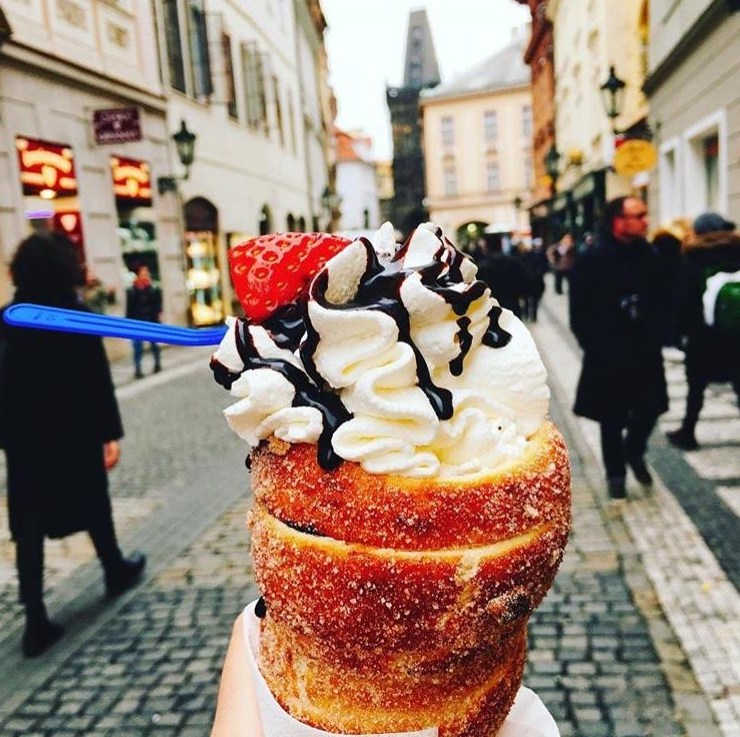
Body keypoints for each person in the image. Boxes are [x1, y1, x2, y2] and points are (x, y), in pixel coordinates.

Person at [0, 233, 146, 657]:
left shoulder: (10, 317)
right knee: (94, 504)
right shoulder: (74, 315)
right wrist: (109, 434)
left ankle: (35, 618)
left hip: (25, 440)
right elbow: (96, 380)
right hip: (74, 434)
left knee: (28, 527)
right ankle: (114, 568)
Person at [569, 197, 668, 499]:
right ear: (618, 221)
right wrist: (595, 344)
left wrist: (658, 331)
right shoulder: (591, 259)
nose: (645, 220)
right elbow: (578, 311)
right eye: (639, 215)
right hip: (608, 353)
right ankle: (615, 474)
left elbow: (665, 298)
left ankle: (634, 450)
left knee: (650, 408)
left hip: (645, 350)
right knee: (610, 416)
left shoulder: (651, 255)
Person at [667, 212, 740, 450]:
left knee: (696, 388)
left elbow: (683, 301)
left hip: (703, 337)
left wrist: (679, 334)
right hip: (737, 336)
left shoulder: (693, 257)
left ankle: (687, 433)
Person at [476, 238, 530, 317]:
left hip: (490, 310)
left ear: (486, 247)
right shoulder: (514, 262)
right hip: (512, 306)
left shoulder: (482, 267)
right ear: (501, 245)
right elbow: (525, 281)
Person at [126, 264, 162, 379]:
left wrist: (158, 317)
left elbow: (158, 305)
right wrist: (129, 323)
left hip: (151, 321)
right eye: (143, 274)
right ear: (138, 275)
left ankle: (157, 364)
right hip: (137, 322)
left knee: (154, 345)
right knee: (137, 348)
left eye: (147, 273)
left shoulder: (153, 288)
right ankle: (137, 369)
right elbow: (129, 308)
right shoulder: (132, 290)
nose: (146, 276)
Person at [519, 238, 548, 322]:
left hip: (535, 281)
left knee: (533, 300)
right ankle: (529, 315)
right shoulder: (528, 255)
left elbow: (544, 267)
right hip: (530, 281)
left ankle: (532, 316)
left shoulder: (541, 255)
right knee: (528, 300)